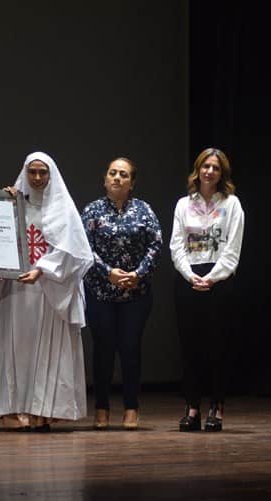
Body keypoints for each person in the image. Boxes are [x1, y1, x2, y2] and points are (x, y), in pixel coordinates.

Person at [0, 152, 93, 431]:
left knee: (48, 349)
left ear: (51, 175)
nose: (36, 178)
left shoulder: (63, 209)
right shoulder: (13, 205)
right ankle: (13, 408)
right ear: (25, 173)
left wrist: (42, 269)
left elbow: (76, 252)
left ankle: (44, 410)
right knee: (17, 349)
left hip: (48, 289)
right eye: (32, 172)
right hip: (17, 290)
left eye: (42, 173)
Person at [81, 158, 162, 430]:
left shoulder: (144, 210)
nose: (117, 178)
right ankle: (101, 407)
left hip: (136, 293)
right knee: (103, 349)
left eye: (123, 175)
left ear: (132, 183)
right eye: (112, 173)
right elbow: (83, 248)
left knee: (130, 348)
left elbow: (155, 245)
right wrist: (108, 272)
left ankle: (131, 407)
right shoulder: (91, 211)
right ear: (105, 180)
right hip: (100, 292)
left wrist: (137, 274)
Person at [170, 147, 245, 432]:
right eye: (205, 166)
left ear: (222, 173)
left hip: (219, 280)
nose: (209, 171)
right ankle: (192, 407)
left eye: (215, 167)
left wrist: (212, 278)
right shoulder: (182, 205)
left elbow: (232, 247)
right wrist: (190, 276)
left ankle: (217, 406)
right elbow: (176, 245)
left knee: (218, 347)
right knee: (190, 347)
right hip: (188, 278)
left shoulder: (232, 204)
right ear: (198, 170)